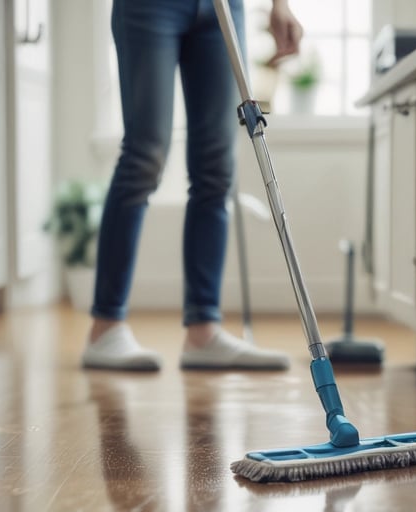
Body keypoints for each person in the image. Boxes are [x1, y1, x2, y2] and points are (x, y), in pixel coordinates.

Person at [82, 0, 303, 371]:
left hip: (222, 9)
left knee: (216, 168)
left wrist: (280, 4)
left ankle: (203, 331)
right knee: (145, 155)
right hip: (151, 9)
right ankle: (105, 327)